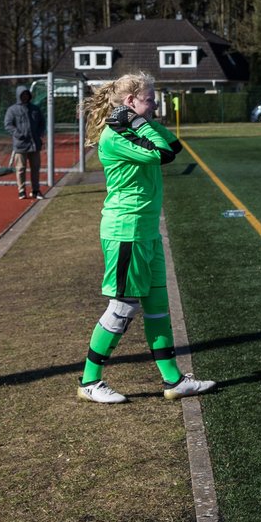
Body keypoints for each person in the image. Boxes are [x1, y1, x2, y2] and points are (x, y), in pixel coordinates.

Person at [76, 73, 215, 404]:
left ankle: (174, 380)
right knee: (123, 305)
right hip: (127, 231)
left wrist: (139, 120)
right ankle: (89, 382)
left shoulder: (131, 128)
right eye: (149, 99)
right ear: (130, 103)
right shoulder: (114, 137)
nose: (155, 104)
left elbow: (174, 145)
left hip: (146, 231)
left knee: (157, 307)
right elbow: (162, 154)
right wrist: (135, 124)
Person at [4, 85, 45, 200]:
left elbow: (42, 122)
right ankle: (21, 190)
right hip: (20, 144)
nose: (25, 97)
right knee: (20, 168)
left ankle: (35, 190)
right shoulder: (12, 110)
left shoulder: (35, 109)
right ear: (18, 96)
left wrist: (40, 133)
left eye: (27, 94)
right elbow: (8, 124)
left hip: (34, 144)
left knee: (35, 168)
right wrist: (18, 134)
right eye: (23, 95)